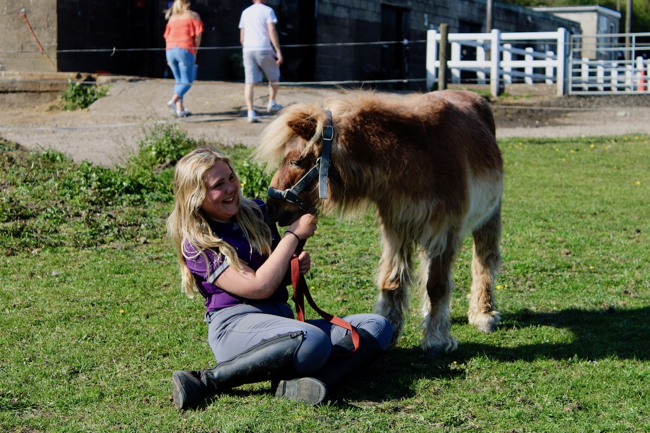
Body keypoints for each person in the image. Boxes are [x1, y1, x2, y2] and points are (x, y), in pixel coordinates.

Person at [167, 146, 393, 409]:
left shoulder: (257, 212)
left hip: (281, 322)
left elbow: (273, 275)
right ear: (195, 196)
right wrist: (292, 236)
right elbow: (259, 287)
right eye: (218, 185)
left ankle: (309, 384)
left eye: (231, 177)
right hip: (236, 328)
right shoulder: (197, 243)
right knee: (313, 340)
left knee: (377, 327)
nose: (231, 188)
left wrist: (291, 267)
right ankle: (206, 381)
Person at [239, 0, 284, 123]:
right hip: (264, 48)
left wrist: (247, 47)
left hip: (248, 49)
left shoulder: (245, 12)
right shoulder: (268, 11)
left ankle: (250, 112)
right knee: (274, 76)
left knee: (249, 83)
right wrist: (278, 51)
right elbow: (272, 31)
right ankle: (272, 102)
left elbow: (242, 38)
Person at [164, 0, 203, 118]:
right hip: (185, 49)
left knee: (179, 80)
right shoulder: (193, 15)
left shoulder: (172, 18)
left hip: (170, 51)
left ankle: (180, 109)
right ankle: (173, 101)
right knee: (187, 81)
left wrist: (168, 55)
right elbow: (198, 35)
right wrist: (195, 51)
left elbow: (167, 37)